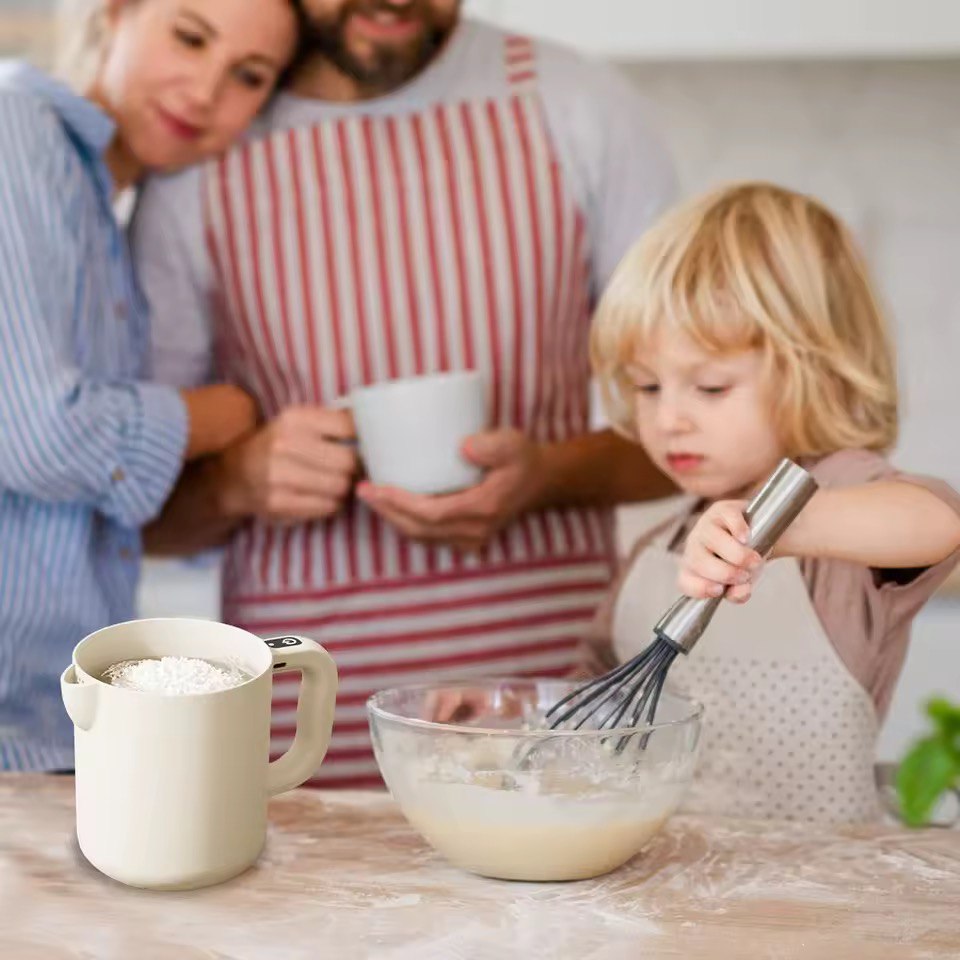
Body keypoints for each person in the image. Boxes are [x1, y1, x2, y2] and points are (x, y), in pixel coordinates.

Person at [132, 0, 677, 787]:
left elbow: (688, 447)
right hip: (301, 744)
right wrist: (237, 481)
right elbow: (141, 513)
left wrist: (545, 477)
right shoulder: (205, 145)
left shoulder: (574, 104)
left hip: (558, 725)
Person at [585, 182, 960, 824]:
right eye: (646, 386)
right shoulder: (659, 548)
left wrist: (786, 524)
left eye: (709, 386)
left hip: (814, 895)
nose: (669, 417)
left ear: (819, 370)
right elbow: (597, 696)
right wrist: (512, 720)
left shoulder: (847, 506)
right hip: (669, 890)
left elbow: (938, 522)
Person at [0, 0, 304, 771]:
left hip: (46, 729)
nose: (204, 92)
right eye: (189, 36)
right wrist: (218, 416)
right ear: (117, 11)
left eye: (248, 76)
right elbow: (42, 437)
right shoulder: (16, 130)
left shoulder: (101, 204)